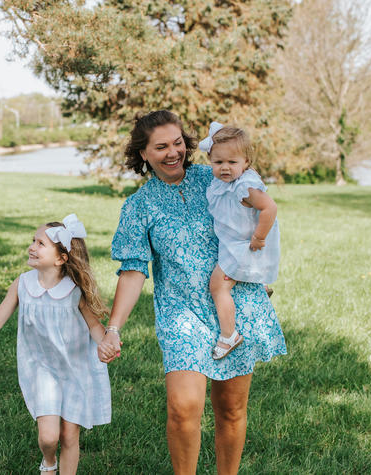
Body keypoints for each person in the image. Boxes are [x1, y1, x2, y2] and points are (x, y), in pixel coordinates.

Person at [97, 110, 286, 475]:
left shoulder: (216, 177)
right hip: (180, 312)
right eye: (161, 146)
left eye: (178, 143)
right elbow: (134, 271)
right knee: (184, 409)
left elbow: (258, 214)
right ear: (143, 155)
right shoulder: (139, 207)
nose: (173, 152)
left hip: (234, 303)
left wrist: (254, 269)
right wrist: (114, 327)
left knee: (231, 409)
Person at [0, 214, 111, 475]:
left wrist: (106, 343)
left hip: (76, 369)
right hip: (42, 367)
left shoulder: (74, 290)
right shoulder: (23, 284)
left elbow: (94, 326)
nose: (32, 247)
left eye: (40, 243)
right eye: (33, 240)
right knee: (49, 437)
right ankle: (48, 462)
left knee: (69, 435)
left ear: (61, 258)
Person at [199, 121, 281, 360]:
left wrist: (259, 237)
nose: (225, 168)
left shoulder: (244, 187)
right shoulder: (222, 183)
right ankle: (259, 285)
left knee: (218, 285)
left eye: (232, 163)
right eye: (218, 162)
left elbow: (270, 208)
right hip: (234, 241)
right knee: (225, 281)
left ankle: (229, 335)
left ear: (246, 162)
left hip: (243, 245)